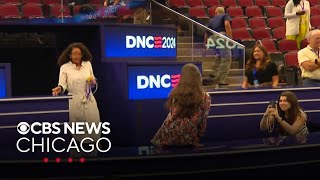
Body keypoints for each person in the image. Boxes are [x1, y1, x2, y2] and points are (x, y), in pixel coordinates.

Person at [151, 63, 211, 147]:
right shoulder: (205, 97)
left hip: (166, 137)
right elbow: (202, 122)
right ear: (198, 78)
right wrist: (197, 137)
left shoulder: (175, 93)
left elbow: (172, 116)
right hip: (188, 139)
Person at [52, 42, 101, 144]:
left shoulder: (88, 64)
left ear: (82, 55)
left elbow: (92, 80)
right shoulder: (64, 67)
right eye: (74, 53)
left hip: (89, 99)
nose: (77, 56)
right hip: (74, 101)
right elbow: (62, 84)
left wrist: (93, 82)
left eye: (79, 54)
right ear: (69, 55)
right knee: (78, 130)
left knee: (94, 126)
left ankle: (95, 153)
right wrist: (59, 88)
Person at [203, 6, 232, 87]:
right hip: (221, 36)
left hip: (212, 38)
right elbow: (227, 25)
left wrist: (205, 45)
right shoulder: (225, 15)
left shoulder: (211, 20)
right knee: (226, 59)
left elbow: (206, 33)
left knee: (218, 57)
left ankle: (213, 74)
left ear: (215, 13)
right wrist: (230, 39)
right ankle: (221, 80)